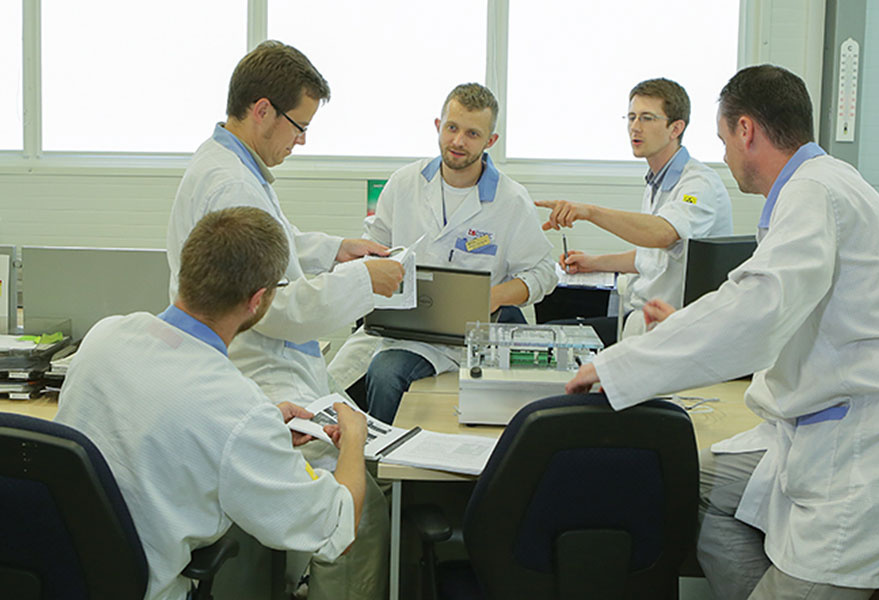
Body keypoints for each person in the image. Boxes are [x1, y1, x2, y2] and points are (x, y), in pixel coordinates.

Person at [566, 65, 879, 599]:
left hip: (877, 454)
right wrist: (688, 327)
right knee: (696, 484)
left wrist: (618, 366)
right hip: (824, 429)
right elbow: (760, 299)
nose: (724, 155)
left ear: (746, 131)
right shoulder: (816, 189)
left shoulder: (815, 194)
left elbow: (757, 307)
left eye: (722, 139)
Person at [165, 40, 396, 600]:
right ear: (262, 109)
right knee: (363, 511)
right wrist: (367, 283)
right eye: (299, 124)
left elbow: (272, 245)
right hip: (258, 374)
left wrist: (334, 250)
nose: (302, 140)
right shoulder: (232, 183)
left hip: (264, 374)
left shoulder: (228, 167)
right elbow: (275, 305)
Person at [56, 207, 369, 600]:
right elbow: (336, 531)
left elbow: (166, 422)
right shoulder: (236, 409)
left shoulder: (104, 336)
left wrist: (263, 429)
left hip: (54, 573)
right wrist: (354, 438)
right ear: (258, 300)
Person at [327, 83, 558, 424]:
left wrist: (493, 297)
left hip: (475, 334)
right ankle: (372, 467)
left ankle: (393, 468)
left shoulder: (511, 200)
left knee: (387, 372)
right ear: (438, 126)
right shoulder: (405, 183)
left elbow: (543, 272)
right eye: (452, 128)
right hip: (404, 329)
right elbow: (373, 246)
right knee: (332, 381)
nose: (458, 141)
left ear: (490, 142)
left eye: (472, 133)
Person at [536, 78, 732, 340]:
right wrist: (593, 263)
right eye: (631, 117)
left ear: (676, 128)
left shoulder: (699, 184)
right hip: (641, 314)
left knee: (555, 337)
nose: (635, 128)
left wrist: (589, 212)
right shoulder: (656, 181)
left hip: (672, 326)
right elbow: (653, 255)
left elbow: (662, 234)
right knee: (551, 316)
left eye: (647, 118)